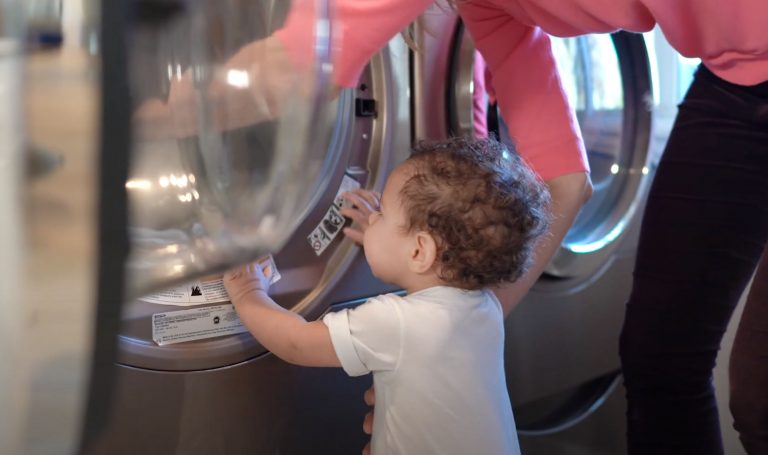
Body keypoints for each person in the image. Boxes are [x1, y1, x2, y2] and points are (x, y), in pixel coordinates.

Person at [223, 136, 550, 454]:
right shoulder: (486, 307)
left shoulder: (396, 321)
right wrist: (385, 235)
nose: (373, 217)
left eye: (382, 214)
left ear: (419, 251)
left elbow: (296, 343)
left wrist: (248, 292)